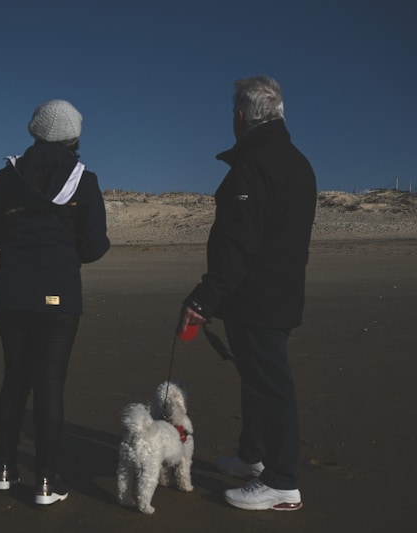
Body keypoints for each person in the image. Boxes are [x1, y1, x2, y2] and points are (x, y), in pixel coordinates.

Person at [178, 76, 317, 511]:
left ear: (240, 117)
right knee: (257, 381)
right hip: (275, 293)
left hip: (259, 297)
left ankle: (282, 482)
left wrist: (203, 299)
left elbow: (238, 244)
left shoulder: (256, 165)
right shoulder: (295, 161)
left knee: (271, 385)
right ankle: (253, 457)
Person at [0, 99, 110, 505]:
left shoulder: (6, 177)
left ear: (34, 130)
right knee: (49, 386)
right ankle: (45, 483)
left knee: (15, 380)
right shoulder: (84, 180)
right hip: (59, 295)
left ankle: (4, 469)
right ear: (74, 136)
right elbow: (93, 247)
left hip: (12, 293)